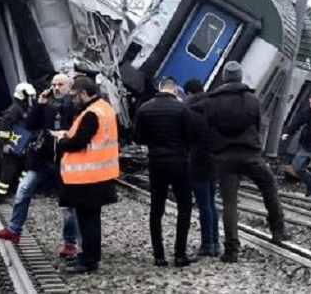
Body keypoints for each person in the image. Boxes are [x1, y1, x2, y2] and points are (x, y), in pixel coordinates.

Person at [204, 61, 287, 263]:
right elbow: (259, 125)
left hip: (224, 157)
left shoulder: (211, 102)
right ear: (240, 77)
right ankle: (278, 231)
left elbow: (207, 128)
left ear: (224, 78)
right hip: (250, 155)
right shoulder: (252, 100)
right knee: (269, 187)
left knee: (229, 203)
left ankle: (232, 249)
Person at [0, 74, 80, 259]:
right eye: (53, 84)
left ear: (69, 87)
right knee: (23, 189)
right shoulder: (45, 105)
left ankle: (70, 243)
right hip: (44, 159)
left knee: (68, 206)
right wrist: (39, 105)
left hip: (66, 161)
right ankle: (14, 230)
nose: (55, 88)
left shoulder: (75, 106)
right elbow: (30, 125)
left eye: (60, 85)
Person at [56, 76, 119, 274]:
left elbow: (79, 142)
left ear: (84, 93)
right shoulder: (105, 108)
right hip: (99, 175)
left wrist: (62, 141)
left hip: (87, 178)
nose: (74, 99)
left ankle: (89, 260)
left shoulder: (91, 114)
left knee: (88, 221)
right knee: (92, 220)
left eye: (76, 95)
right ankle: (89, 256)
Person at [133, 78, 194, 268]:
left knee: (156, 208)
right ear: (175, 91)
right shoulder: (182, 108)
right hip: (179, 162)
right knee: (184, 206)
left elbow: (137, 137)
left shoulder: (145, 108)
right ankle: (180, 254)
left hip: (156, 162)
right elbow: (191, 136)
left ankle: (159, 255)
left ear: (160, 89)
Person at [183, 78, 219, 258]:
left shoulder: (189, 110)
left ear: (189, 93)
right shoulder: (214, 108)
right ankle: (215, 242)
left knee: (203, 204)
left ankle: (207, 244)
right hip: (213, 160)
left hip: (197, 162)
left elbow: (185, 138)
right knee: (211, 203)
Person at [0, 83, 36, 204]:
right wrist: (5, 144)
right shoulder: (14, 110)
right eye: (29, 95)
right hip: (13, 145)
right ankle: (0, 197)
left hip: (21, 145)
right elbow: (4, 127)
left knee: (25, 168)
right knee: (7, 172)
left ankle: (20, 192)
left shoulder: (22, 108)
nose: (31, 98)